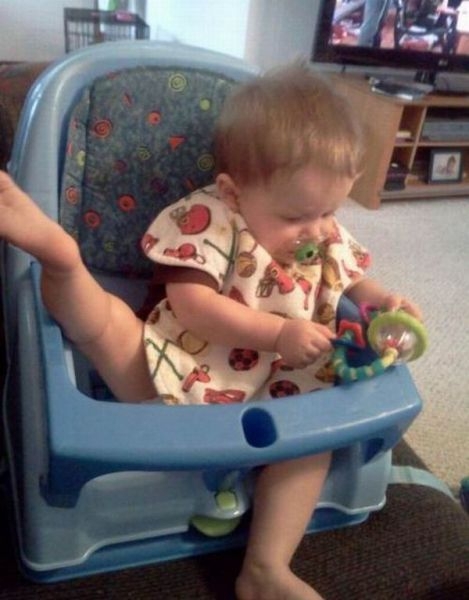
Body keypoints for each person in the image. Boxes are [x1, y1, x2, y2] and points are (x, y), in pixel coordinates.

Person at [0, 63, 422, 600]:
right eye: (298, 216)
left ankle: (266, 568)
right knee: (108, 325)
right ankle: (62, 261)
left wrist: (381, 302)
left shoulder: (321, 227)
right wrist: (277, 334)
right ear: (233, 191)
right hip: (184, 364)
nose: (318, 231)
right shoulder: (213, 219)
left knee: (311, 448)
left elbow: (350, 278)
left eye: (330, 211)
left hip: (284, 387)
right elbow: (192, 306)